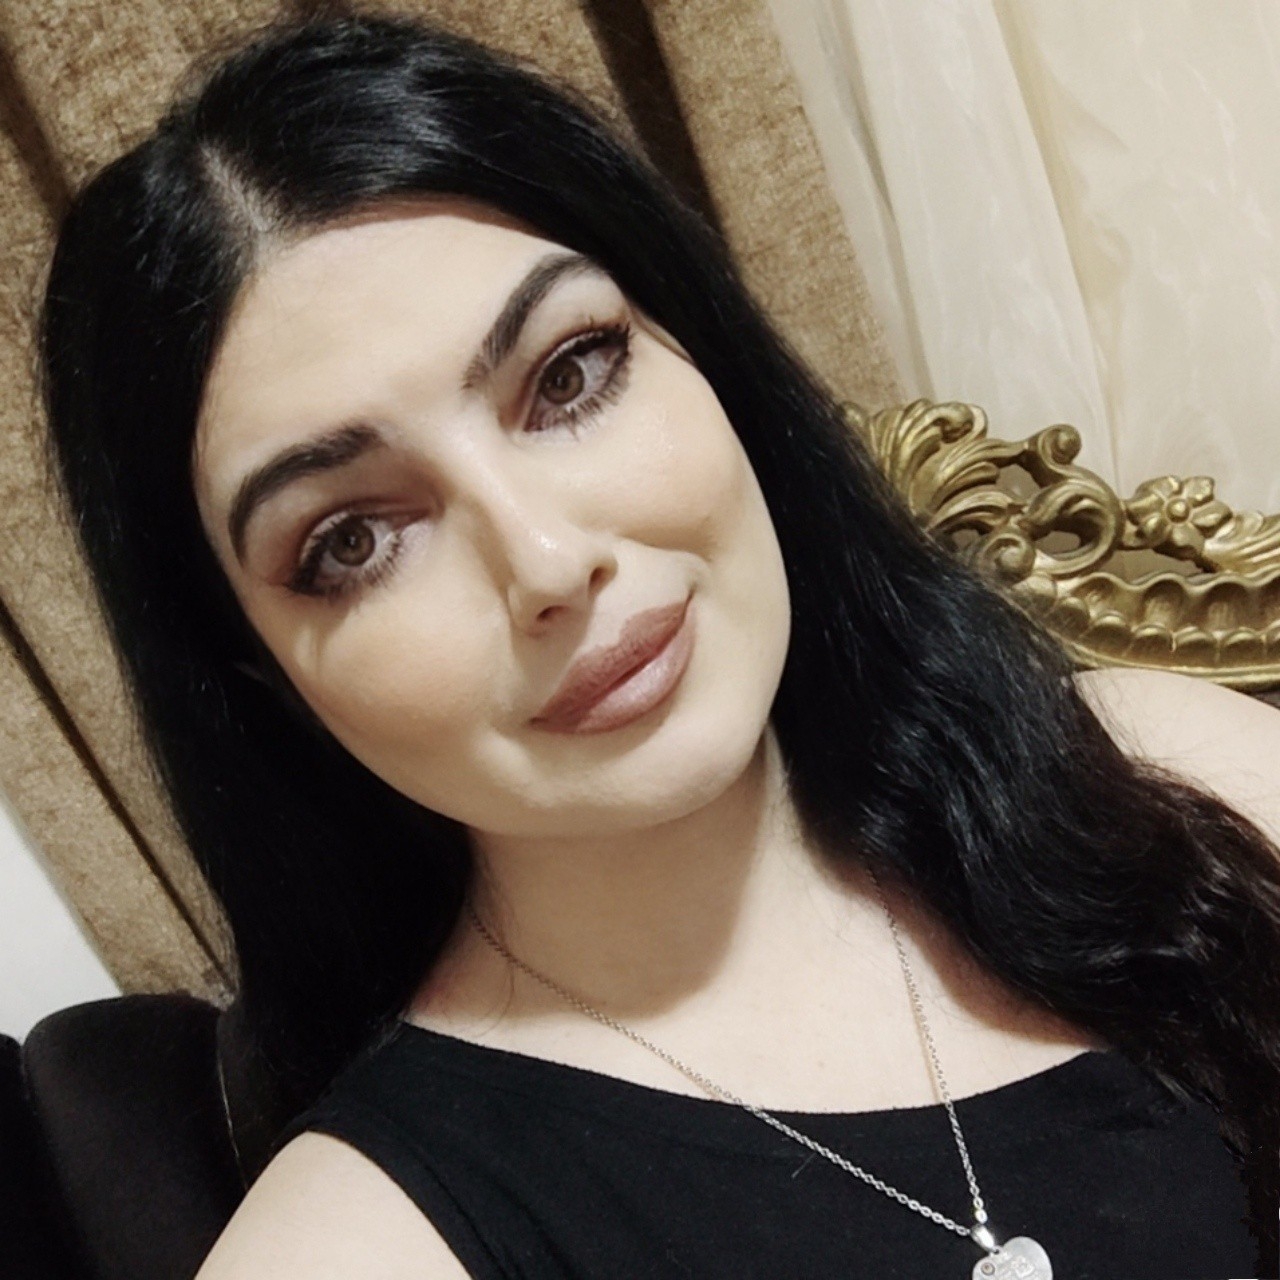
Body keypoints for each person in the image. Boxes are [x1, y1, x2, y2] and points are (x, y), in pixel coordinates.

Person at [37, 13, 1280, 1278]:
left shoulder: (1180, 771)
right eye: (352, 539)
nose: (543, 560)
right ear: (262, 674)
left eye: (570, 376)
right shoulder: (351, 1249)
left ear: (702, 347)